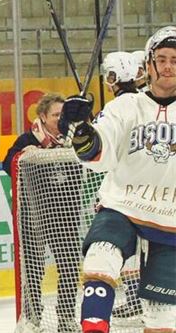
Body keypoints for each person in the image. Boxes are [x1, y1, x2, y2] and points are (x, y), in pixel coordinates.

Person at [58, 26, 176, 333]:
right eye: (161, 59)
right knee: (100, 256)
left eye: (175, 59)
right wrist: (80, 129)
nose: (168, 66)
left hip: (172, 214)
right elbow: (98, 152)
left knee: (161, 314)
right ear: (148, 65)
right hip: (123, 202)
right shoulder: (126, 106)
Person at [4, 93, 81, 332]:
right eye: (56, 114)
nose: (60, 119)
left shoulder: (74, 138)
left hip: (65, 215)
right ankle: (32, 316)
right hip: (34, 214)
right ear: (43, 117)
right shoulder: (29, 138)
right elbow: (9, 164)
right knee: (33, 268)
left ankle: (66, 316)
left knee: (69, 265)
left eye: (63, 114)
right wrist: (24, 155)